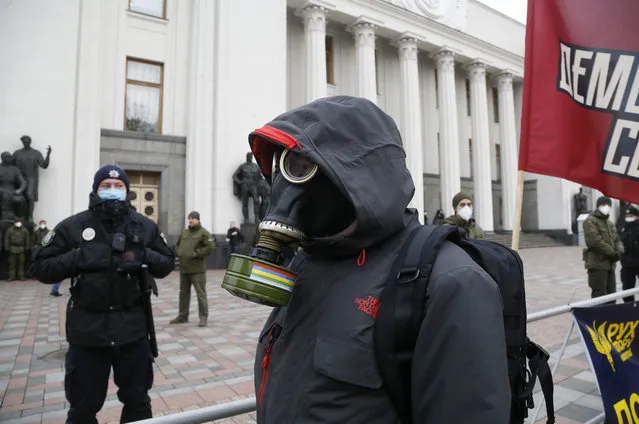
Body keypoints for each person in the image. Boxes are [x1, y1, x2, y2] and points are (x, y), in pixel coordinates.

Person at [247, 96, 510, 423]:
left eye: (301, 168)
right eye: (281, 168)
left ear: (354, 175)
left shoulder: (450, 283)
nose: (285, 187)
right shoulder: (310, 262)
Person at [30, 165, 175, 424]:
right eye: (106, 186)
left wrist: (142, 255)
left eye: (118, 187)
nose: (112, 191)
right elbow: (40, 267)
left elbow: (167, 263)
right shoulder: (74, 226)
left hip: (132, 329)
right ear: (96, 190)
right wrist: (80, 256)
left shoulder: (143, 226)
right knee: (83, 407)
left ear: (127, 191)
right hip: (88, 331)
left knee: (138, 402)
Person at [170, 211, 215, 327]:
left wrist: (196, 254)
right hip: (184, 268)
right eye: (189, 218)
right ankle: (182, 315)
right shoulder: (185, 232)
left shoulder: (203, 233)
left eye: (193, 218)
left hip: (197, 270)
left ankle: (203, 317)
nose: (191, 220)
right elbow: (178, 245)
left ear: (198, 220)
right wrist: (178, 252)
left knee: (200, 294)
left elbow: (210, 247)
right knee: (183, 294)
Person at [583, 196, 624, 301]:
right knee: (599, 296)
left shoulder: (610, 223)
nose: (606, 207)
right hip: (597, 265)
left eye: (608, 205)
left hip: (610, 265)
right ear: (598, 206)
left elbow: (617, 239)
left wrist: (619, 251)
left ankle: (609, 317)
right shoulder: (590, 221)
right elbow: (595, 241)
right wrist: (612, 253)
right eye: (603, 205)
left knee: (611, 296)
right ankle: (599, 318)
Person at [32, 219, 62, 296]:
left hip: (48, 252)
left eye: (43, 223)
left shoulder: (50, 232)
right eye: (41, 223)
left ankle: (54, 289)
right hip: (40, 250)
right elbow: (34, 241)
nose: (42, 225)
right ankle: (54, 289)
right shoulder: (37, 232)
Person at [619, 205, 639, 302]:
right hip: (627, 265)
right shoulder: (622, 228)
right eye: (627, 216)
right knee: (627, 290)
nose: (629, 218)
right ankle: (630, 309)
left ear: (637, 216)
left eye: (631, 215)